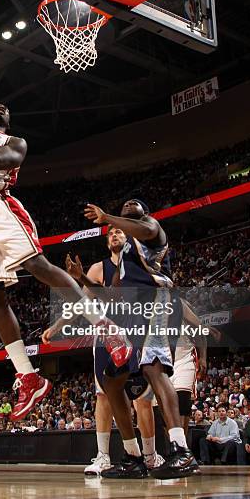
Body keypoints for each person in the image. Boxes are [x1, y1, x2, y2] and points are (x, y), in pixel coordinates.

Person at [0, 0, 130, 422]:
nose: (0, 107)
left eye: (7, 109)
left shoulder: (13, 143)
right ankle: (28, 376)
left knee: (39, 267)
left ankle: (104, 327)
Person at [81, 200, 199, 479]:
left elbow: (143, 230)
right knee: (112, 380)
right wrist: (83, 278)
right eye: (124, 205)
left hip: (157, 302)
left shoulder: (151, 229)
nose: (129, 204)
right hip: (132, 314)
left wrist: (106, 216)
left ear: (143, 212)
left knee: (153, 368)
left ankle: (181, 450)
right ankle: (133, 457)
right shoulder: (123, 261)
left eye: (134, 204)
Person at [65, 233, 165, 476]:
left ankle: (149, 455)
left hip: (139, 329)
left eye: (118, 231)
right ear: (106, 242)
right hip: (108, 334)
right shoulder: (99, 267)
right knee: (104, 395)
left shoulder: (139, 265)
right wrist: (58, 326)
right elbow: (84, 302)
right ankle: (104, 456)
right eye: (110, 233)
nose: (114, 235)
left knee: (142, 398)